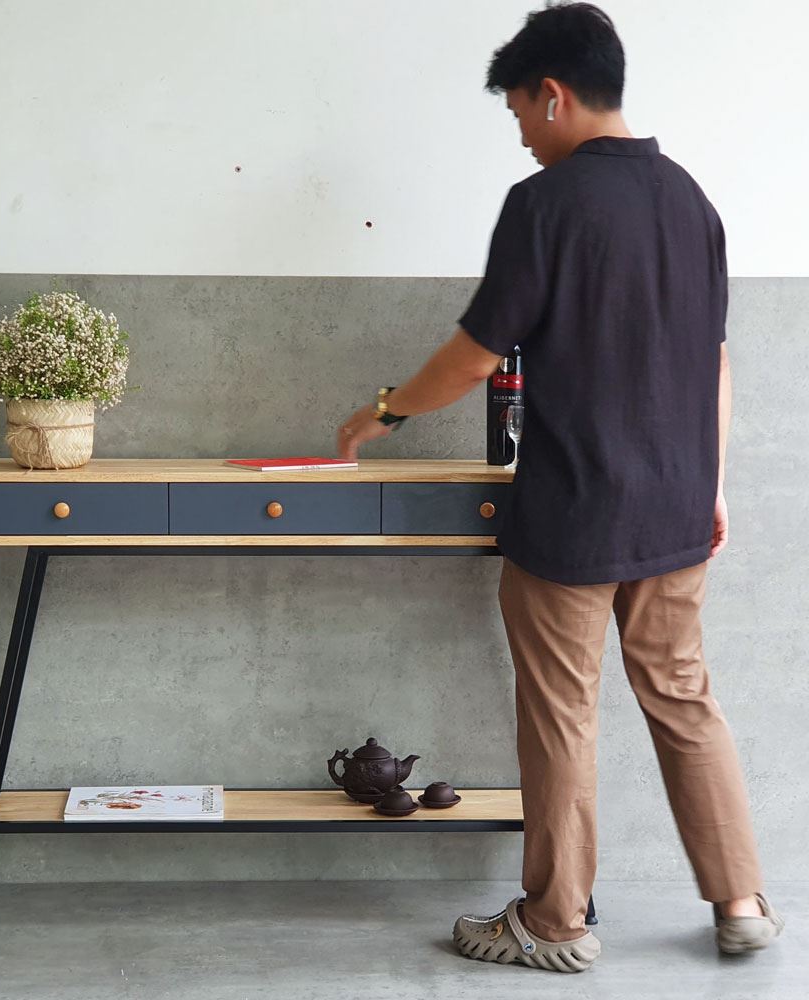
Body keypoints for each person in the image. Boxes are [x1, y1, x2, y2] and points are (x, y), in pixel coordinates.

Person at [335, 1, 783, 974]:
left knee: (562, 714)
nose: (522, 138)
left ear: (552, 94)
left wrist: (384, 412)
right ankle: (741, 900)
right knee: (684, 697)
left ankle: (553, 922)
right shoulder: (691, 200)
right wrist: (708, 484)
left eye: (518, 115)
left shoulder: (544, 204)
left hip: (574, 513)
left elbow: (476, 352)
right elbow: (712, 360)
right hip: (677, 509)